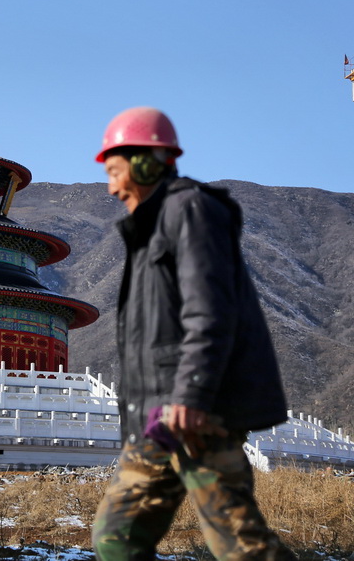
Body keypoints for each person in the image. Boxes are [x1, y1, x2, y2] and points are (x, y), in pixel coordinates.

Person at [91, 107, 295, 561]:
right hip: (157, 421)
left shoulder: (191, 211)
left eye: (115, 170)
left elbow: (211, 312)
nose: (111, 186)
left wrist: (192, 395)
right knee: (115, 536)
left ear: (146, 162)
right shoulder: (147, 230)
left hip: (196, 414)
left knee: (240, 546)